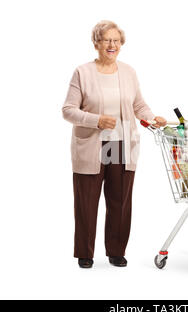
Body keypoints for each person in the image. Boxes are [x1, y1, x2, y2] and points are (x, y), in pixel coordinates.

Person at [62, 20, 166, 268]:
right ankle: (85, 254)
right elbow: (68, 111)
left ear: (121, 44)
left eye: (116, 41)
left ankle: (116, 251)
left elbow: (138, 105)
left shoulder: (129, 72)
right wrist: (96, 120)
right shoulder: (82, 72)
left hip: (120, 144)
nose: (112, 45)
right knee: (86, 201)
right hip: (91, 146)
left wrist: (152, 118)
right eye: (107, 40)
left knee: (120, 201)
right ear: (96, 42)